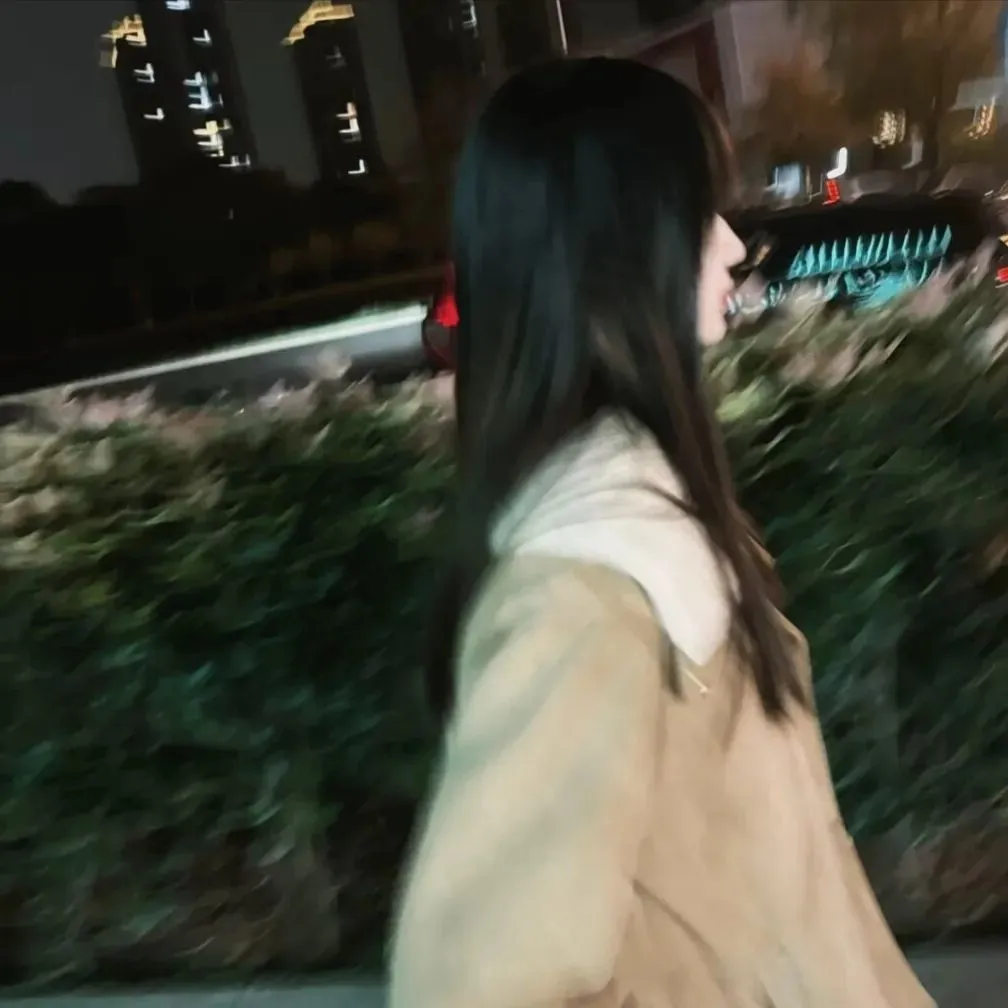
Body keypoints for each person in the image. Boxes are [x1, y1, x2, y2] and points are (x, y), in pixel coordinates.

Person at [389, 58, 933, 1008]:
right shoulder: (584, 587)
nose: (734, 245)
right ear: (607, 248)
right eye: (697, 212)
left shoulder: (652, 527)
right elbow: (482, 984)